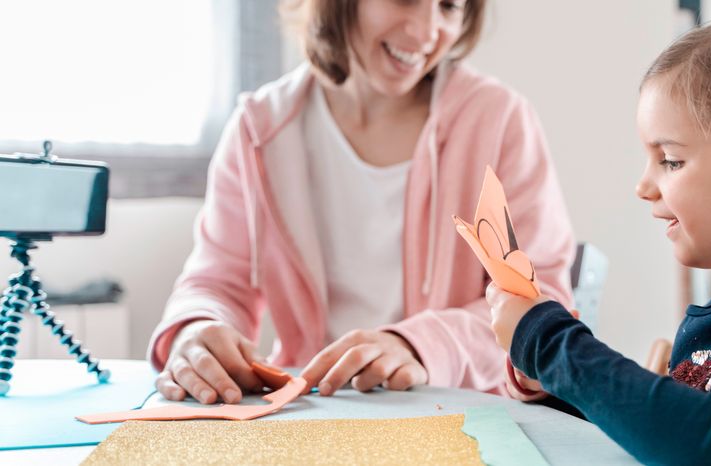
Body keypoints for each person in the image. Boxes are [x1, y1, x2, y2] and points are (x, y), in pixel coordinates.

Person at [148, 0, 575, 405]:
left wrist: (417, 345)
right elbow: (217, 283)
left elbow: (540, 300)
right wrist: (197, 329)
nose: (428, 32)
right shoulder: (259, 130)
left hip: (460, 414)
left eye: (449, 5)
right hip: (313, 410)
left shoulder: (499, 120)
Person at [487, 9, 711, 465]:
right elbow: (673, 435)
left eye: (670, 160)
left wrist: (553, 345)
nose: (644, 186)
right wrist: (560, 386)